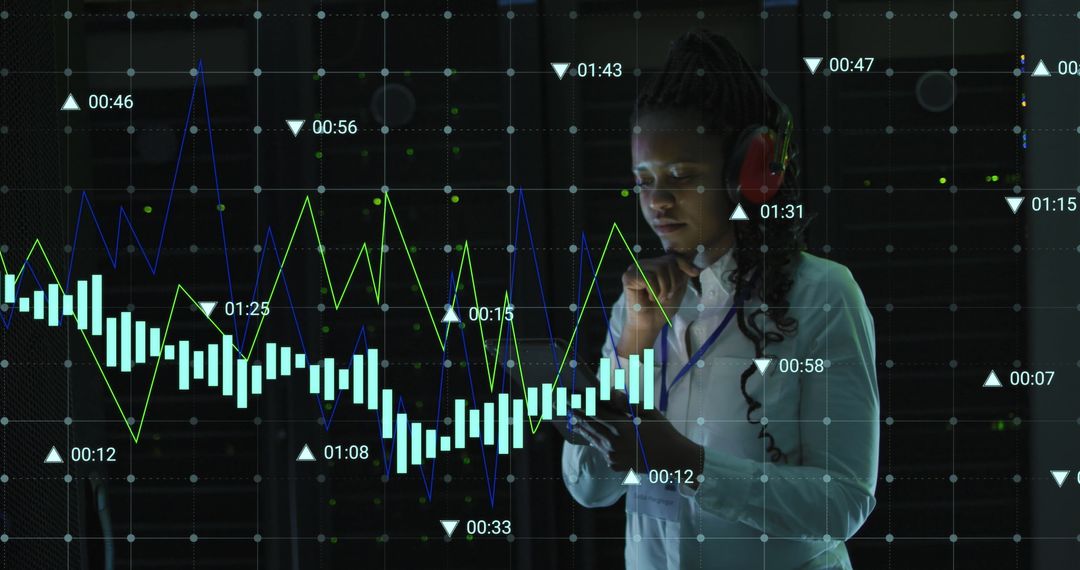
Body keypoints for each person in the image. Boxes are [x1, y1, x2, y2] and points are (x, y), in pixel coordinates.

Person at [562, 29, 880, 569]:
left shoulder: (824, 294)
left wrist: (688, 464)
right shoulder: (636, 304)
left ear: (748, 176)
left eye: (681, 176)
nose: (657, 201)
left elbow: (843, 502)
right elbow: (589, 490)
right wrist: (632, 348)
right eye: (643, 180)